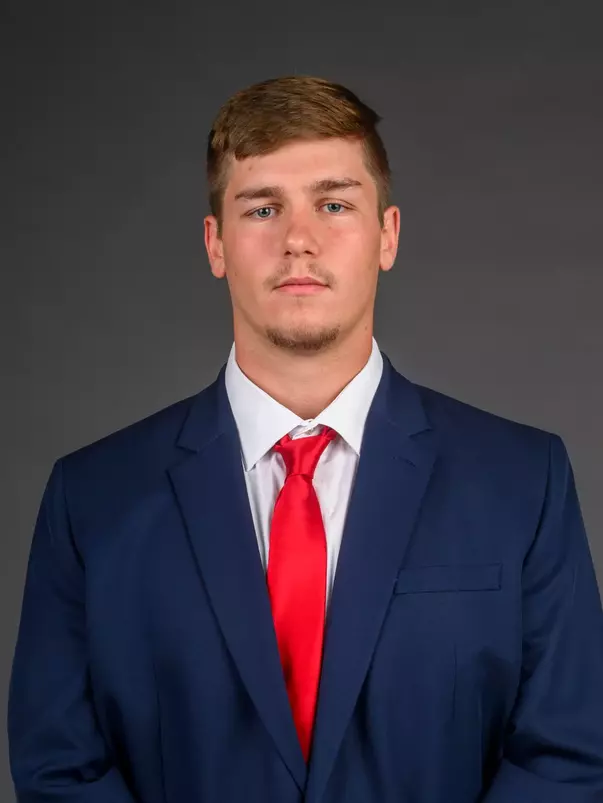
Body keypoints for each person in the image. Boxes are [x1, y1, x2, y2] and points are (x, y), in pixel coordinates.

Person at [8, 75, 603, 803]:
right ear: (215, 243)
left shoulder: (522, 481)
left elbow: (567, 754)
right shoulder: (92, 499)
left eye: (333, 203)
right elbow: (59, 764)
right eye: (262, 207)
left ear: (385, 235)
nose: (297, 239)